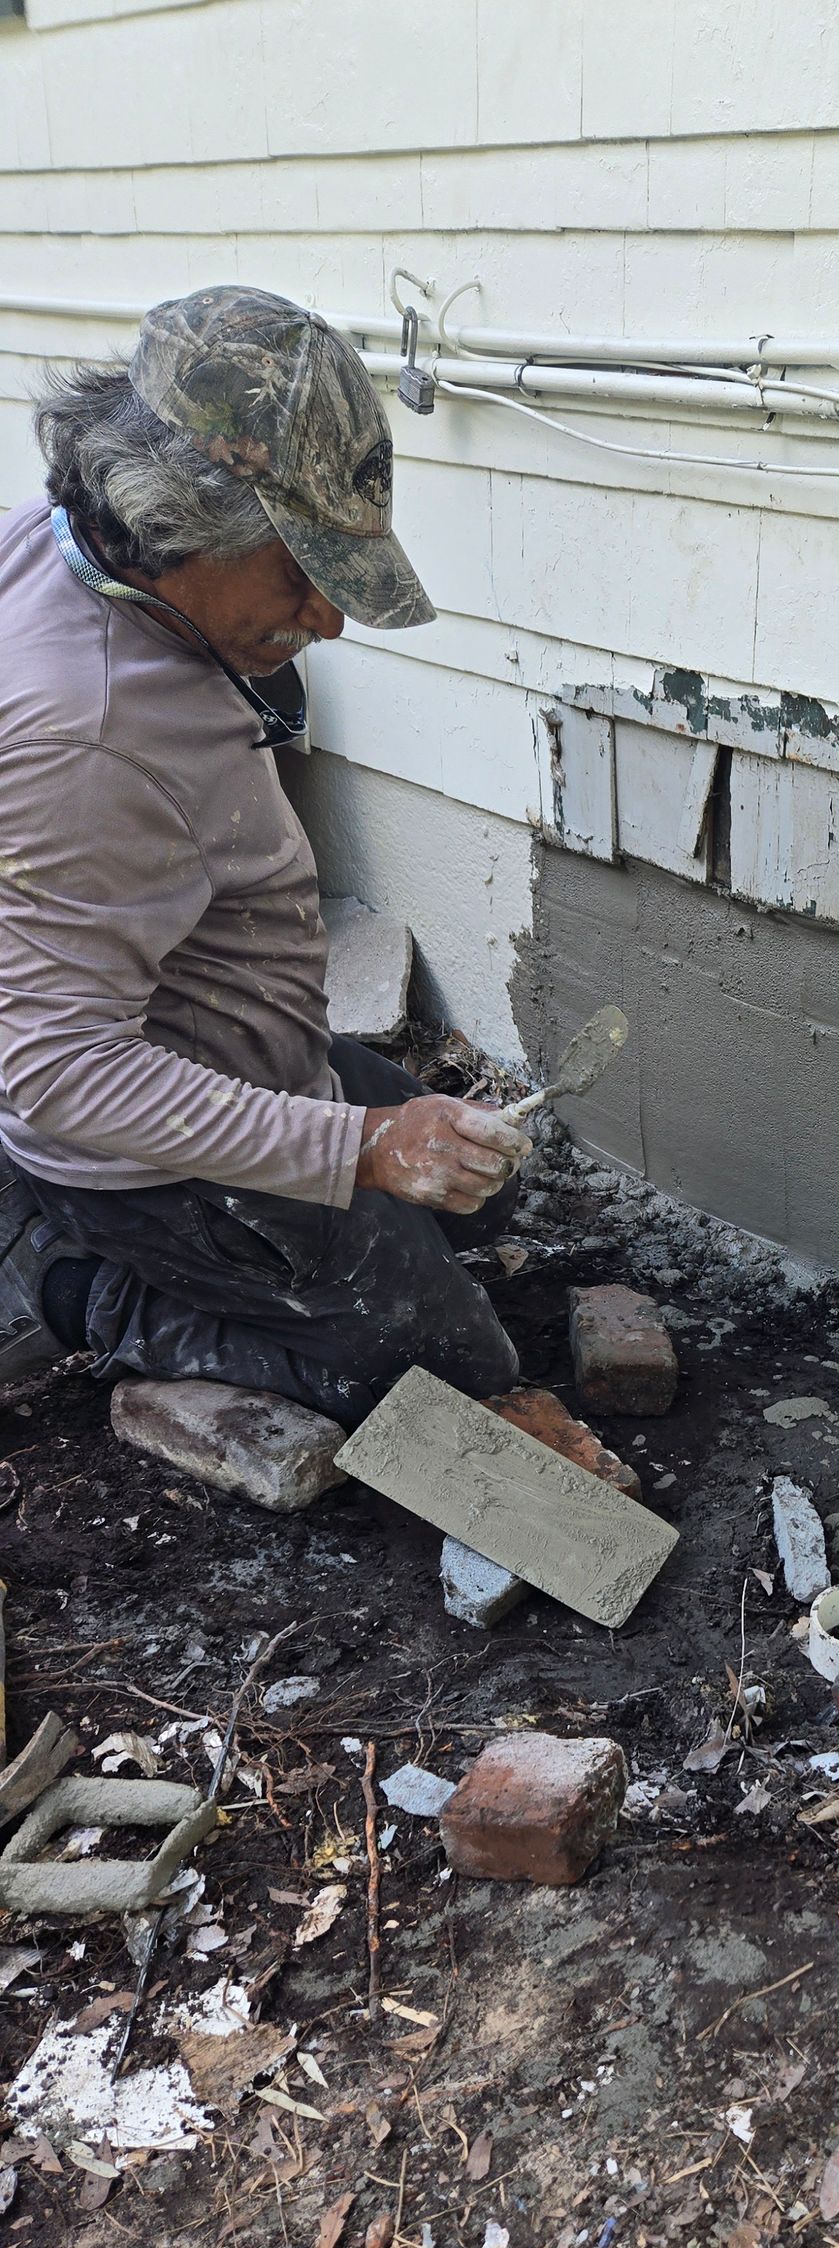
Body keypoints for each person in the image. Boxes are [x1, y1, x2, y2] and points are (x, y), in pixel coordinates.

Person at [0, 284, 530, 1424]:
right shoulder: (86, 738)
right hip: (137, 1157)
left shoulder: (65, 550)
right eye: (297, 567)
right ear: (173, 525)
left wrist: (364, 1140)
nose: (328, 617)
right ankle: (73, 1281)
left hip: (223, 1040)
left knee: (483, 1201)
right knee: (449, 1384)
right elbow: (54, 1068)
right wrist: (364, 1142)